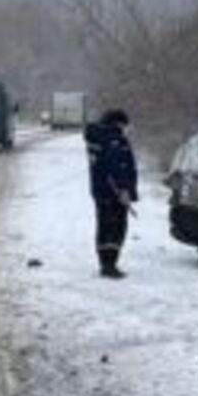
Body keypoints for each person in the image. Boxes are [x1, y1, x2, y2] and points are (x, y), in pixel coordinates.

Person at [84, 109, 138, 278]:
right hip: (112, 192)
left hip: (103, 190)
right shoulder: (113, 140)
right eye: (126, 125)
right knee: (114, 227)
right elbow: (116, 167)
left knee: (106, 225)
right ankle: (109, 265)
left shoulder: (101, 138)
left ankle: (107, 263)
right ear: (118, 124)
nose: (128, 129)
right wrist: (123, 190)